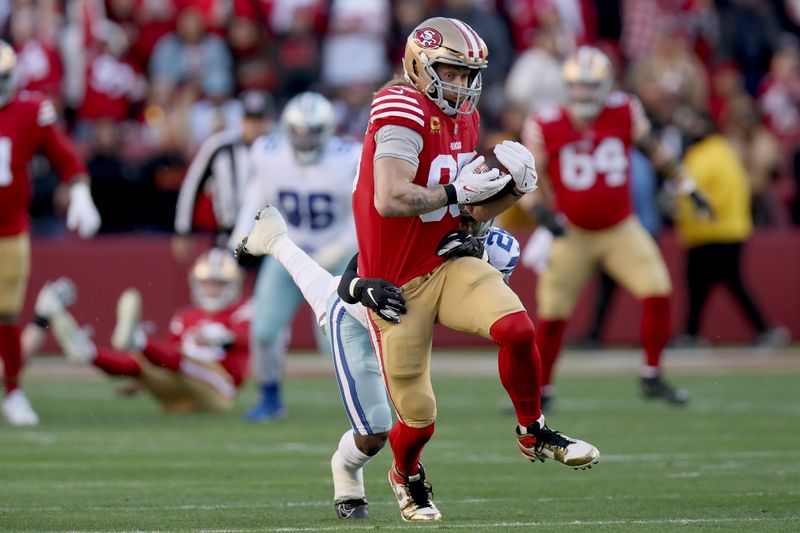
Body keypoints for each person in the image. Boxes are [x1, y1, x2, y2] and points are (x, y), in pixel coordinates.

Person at [334, 17, 599, 521]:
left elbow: (468, 208)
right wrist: (460, 194)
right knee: (420, 418)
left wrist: (507, 195)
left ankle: (533, 430)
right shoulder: (399, 106)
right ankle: (406, 476)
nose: (461, 84)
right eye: (451, 72)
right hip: (395, 286)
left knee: (517, 329)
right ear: (419, 65)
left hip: (445, 263)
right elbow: (391, 199)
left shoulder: (466, 119)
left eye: (468, 74)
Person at [237, 205, 520, 519]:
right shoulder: (416, 247)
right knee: (374, 432)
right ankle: (345, 471)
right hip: (354, 317)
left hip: (394, 331)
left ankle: (277, 242)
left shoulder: (467, 280)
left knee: (413, 413)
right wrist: (363, 286)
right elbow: (347, 281)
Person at [519, 46, 714, 409]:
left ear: (606, 85)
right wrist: (539, 211)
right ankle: (541, 391)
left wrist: (687, 186)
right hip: (571, 231)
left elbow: (656, 150)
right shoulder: (545, 122)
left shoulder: (625, 110)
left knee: (657, 291)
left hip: (619, 228)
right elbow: (526, 176)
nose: (583, 94)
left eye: (591, 86)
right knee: (551, 314)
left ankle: (652, 374)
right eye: (576, 86)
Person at [229, 92, 360, 422]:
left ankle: (361, 403)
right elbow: (255, 199)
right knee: (264, 330)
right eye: (299, 132)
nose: (304, 140)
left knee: (335, 338)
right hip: (286, 251)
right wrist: (239, 240)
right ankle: (270, 399)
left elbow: (362, 216)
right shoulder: (268, 154)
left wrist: (342, 248)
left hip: (335, 256)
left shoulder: (349, 158)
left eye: (312, 132)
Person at [0, 41, 101, 426]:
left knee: (6, 315)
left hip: (9, 230)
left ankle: (13, 392)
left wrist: (79, 190)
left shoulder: (30, 110)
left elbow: (64, 155)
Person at [33, 249, 251, 413]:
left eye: (218, 283)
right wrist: (142, 380)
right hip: (177, 393)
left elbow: (245, 339)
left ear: (233, 284)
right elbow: (168, 354)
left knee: (179, 360)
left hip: (219, 389)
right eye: (207, 283)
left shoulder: (242, 312)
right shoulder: (186, 316)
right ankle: (88, 352)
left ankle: (138, 339)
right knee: (143, 364)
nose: (211, 289)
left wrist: (219, 339)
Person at [675, 112, 790, 348]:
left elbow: (693, 195)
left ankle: (762, 329)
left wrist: (687, 217)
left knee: (710, 283)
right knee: (712, 284)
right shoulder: (724, 151)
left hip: (711, 233)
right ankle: (693, 332)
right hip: (729, 230)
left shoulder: (703, 156)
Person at [174, 90, 273, 250]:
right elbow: (192, 185)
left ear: (269, 120)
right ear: (242, 119)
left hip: (270, 235)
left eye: (260, 119)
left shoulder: (280, 150)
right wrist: (183, 229)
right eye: (250, 119)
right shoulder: (219, 146)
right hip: (227, 232)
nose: (254, 126)